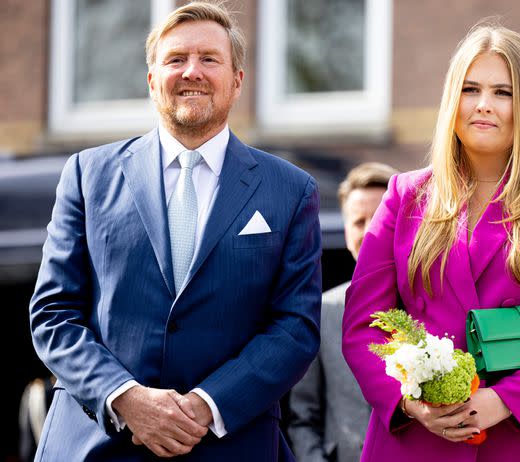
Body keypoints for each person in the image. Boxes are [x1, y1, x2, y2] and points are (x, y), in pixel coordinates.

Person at [28, 2, 322, 461]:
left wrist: (205, 407)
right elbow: (53, 314)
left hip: (230, 445)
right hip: (97, 444)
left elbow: (295, 328)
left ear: (237, 80)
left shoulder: (291, 190)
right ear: (151, 80)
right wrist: (126, 397)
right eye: (175, 59)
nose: (192, 72)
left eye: (209, 59)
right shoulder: (88, 174)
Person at [341, 23, 520, 462]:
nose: (483, 106)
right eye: (471, 89)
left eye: (503, 93)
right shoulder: (403, 196)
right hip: (417, 443)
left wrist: (506, 400)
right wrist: (409, 403)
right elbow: (364, 324)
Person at [288, 162, 399, 462]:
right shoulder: (322, 311)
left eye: (379, 219)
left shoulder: (430, 302)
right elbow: (302, 415)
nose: (369, 231)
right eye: (359, 222)